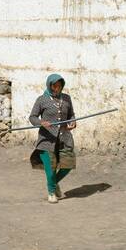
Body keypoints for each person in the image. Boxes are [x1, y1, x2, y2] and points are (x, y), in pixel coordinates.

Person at [28, 73, 77, 203]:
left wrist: (72, 122)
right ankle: (51, 192)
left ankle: (53, 184)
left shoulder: (66, 98)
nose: (57, 89)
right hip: (47, 140)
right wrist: (41, 123)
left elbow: (71, 114)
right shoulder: (41, 100)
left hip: (64, 138)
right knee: (50, 169)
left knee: (68, 165)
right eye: (54, 86)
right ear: (49, 86)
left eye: (59, 86)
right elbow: (32, 117)